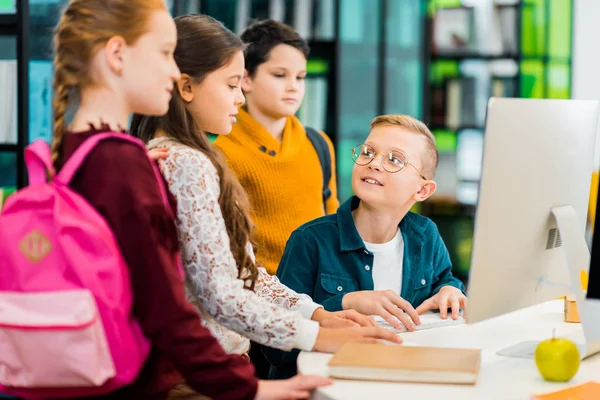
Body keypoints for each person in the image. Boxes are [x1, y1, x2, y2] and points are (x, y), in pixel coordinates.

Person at [50, 1, 331, 398]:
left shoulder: (97, 152)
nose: (171, 69)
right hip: (179, 379)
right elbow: (175, 307)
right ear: (116, 55)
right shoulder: (138, 161)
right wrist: (255, 384)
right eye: (164, 53)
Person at [131, 15, 399, 389]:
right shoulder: (187, 161)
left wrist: (317, 314)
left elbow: (246, 273)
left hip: (209, 365)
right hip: (201, 374)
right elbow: (221, 292)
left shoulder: (171, 154)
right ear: (187, 87)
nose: (240, 97)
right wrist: (315, 334)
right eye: (231, 85)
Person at [270, 114, 467, 378]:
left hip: (402, 380)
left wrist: (450, 291)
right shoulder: (309, 241)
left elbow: (446, 281)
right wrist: (344, 302)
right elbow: (273, 348)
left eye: (394, 159)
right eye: (368, 152)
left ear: (422, 191)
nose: (374, 163)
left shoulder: (426, 235)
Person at [213, 20, 339, 276]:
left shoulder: (318, 144)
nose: (293, 86)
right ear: (245, 79)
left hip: (324, 296)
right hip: (262, 298)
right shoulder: (222, 152)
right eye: (280, 75)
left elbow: (334, 226)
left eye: (301, 77)